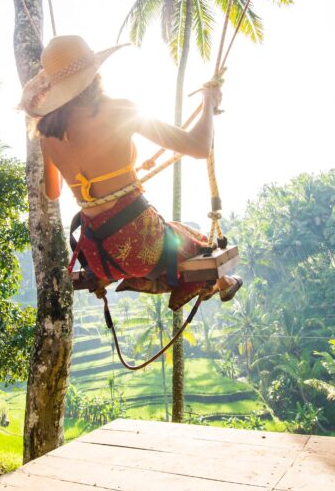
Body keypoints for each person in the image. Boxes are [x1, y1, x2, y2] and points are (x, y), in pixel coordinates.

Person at [19, 35, 242, 311]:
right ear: (93, 75)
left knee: (174, 234)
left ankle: (222, 283)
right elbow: (198, 147)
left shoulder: (47, 137)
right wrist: (209, 103)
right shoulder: (118, 110)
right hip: (138, 245)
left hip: (98, 255)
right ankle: (219, 283)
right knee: (190, 241)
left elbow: (53, 193)